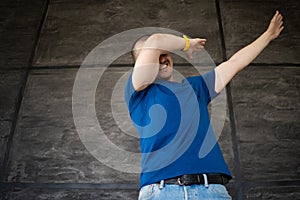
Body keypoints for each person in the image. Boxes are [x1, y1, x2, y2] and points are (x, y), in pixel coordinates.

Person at [124, 11, 284, 200]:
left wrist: (267, 36)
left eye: (163, 54)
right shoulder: (138, 93)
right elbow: (155, 41)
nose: (160, 60)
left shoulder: (196, 87)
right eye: (150, 57)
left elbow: (234, 63)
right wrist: (187, 43)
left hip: (212, 190)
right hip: (162, 191)